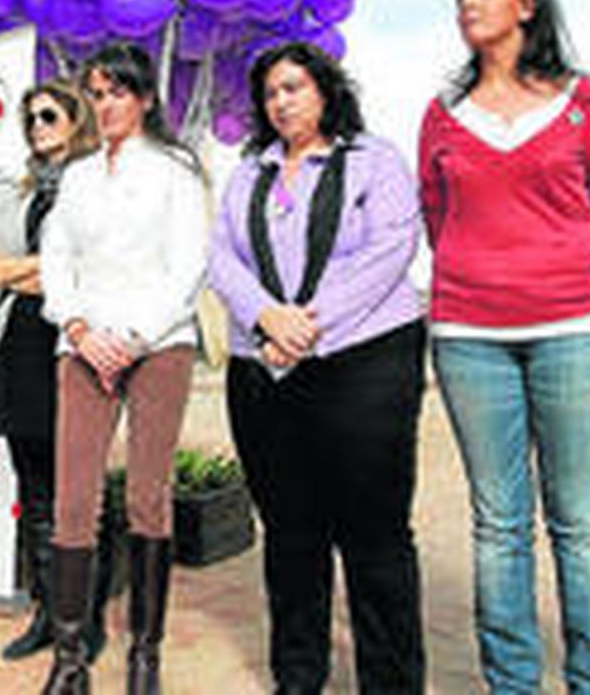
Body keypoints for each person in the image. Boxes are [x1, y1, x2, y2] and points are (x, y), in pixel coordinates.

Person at [418, 0, 590, 692]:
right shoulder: (442, 115)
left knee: (579, 522)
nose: (467, 3)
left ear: (527, 3)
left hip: (579, 328)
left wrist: (560, 272)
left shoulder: (586, 102)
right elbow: (436, 216)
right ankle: (511, 683)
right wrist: (491, 275)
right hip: (468, 334)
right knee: (498, 525)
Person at [209, 41, 428, 693]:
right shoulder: (249, 173)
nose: (281, 103)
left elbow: (393, 247)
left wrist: (307, 325)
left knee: (375, 537)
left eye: (294, 88)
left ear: (326, 91)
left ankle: (389, 682)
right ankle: (298, 677)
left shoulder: (374, 160)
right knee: (290, 534)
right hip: (263, 368)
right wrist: (266, 319)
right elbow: (220, 256)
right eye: (271, 93)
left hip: (365, 363)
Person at [38, 42, 207, 695]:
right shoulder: (77, 177)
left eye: (116, 92)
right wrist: (79, 328)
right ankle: (70, 658)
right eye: (97, 93)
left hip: (159, 343)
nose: (105, 104)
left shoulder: (175, 169)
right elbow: (56, 259)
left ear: (143, 97)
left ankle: (145, 653)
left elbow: (188, 264)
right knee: (73, 501)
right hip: (81, 346)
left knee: (146, 496)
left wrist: (132, 338)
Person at [0, 80, 107, 662]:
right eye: (30, 119)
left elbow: (90, 268)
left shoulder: (100, 184)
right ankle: (48, 614)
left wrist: (32, 272)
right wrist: (39, 270)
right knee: (34, 489)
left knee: (77, 493)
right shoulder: (19, 193)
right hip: (18, 348)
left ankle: (85, 620)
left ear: (76, 120)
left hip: (72, 344)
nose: (38, 126)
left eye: (48, 115)